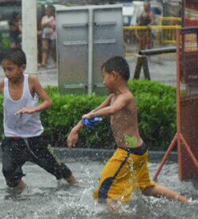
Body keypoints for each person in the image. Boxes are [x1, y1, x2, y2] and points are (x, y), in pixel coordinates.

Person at [67, 56, 188, 207]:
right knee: (147, 187)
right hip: (137, 149)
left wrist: (91, 116)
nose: (103, 82)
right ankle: (188, 202)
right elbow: (96, 110)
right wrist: (76, 128)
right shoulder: (113, 96)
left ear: (114, 75)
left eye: (104, 76)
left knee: (105, 191)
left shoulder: (126, 97)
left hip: (129, 151)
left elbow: (112, 110)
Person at [0, 49, 77, 190]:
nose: (7, 74)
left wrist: (32, 110)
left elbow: (48, 101)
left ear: (22, 68)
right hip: (13, 139)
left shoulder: (31, 81)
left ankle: (76, 185)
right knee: (8, 172)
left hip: (35, 138)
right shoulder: (3, 84)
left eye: (10, 69)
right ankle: (25, 192)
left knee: (57, 167)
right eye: (4, 70)